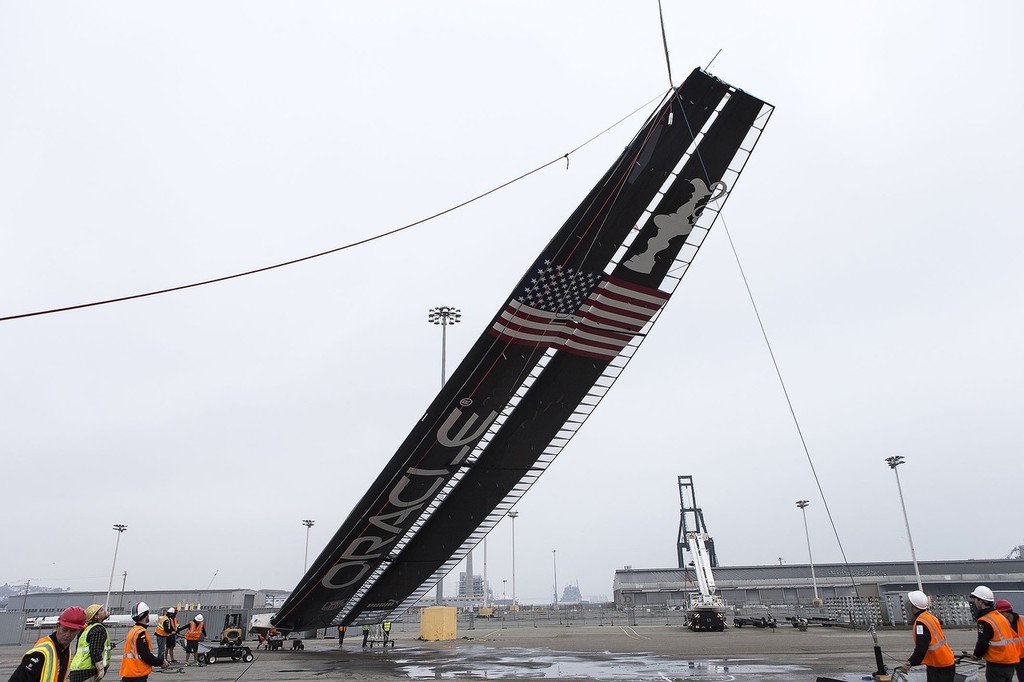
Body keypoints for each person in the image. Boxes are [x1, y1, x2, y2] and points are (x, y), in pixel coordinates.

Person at [8, 606, 86, 682]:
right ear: (57, 626)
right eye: (64, 630)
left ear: (78, 631)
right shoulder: (40, 653)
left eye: (72, 631)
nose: (67, 635)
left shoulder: (65, 651)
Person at [962, 585, 1021, 682]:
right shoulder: (999, 616)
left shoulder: (985, 620)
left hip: (997, 664)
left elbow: (982, 642)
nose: (975, 602)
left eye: (976, 600)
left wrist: (976, 655)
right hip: (1010, 662)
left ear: (981, 601)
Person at [895, 590, 955, 681]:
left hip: (939, 665)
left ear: (913, 606)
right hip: (945, 661)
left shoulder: (921, 623)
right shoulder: (930, 617)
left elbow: (921, 649)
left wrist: (909, 663)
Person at [119, 602, 168, 681]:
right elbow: (146, 656)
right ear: (145, 615)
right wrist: (161, 662)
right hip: (136, 674)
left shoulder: (134, 630)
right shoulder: (140, 633)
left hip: (130, 673)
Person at [68, 604, 112, 682]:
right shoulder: (98, 629)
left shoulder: (86, 629)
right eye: (101, 610)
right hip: (87, 671)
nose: (104, 611)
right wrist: (100, 668)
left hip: (77, 669)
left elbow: (89, 646)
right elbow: (95, 651)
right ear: (96, 616)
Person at [994, 599, 1024, 681]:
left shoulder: (1022, 620)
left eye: (1000, 613)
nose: (999, 615)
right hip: (1012, 658)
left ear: (1007, 612)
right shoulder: (1001, 624)